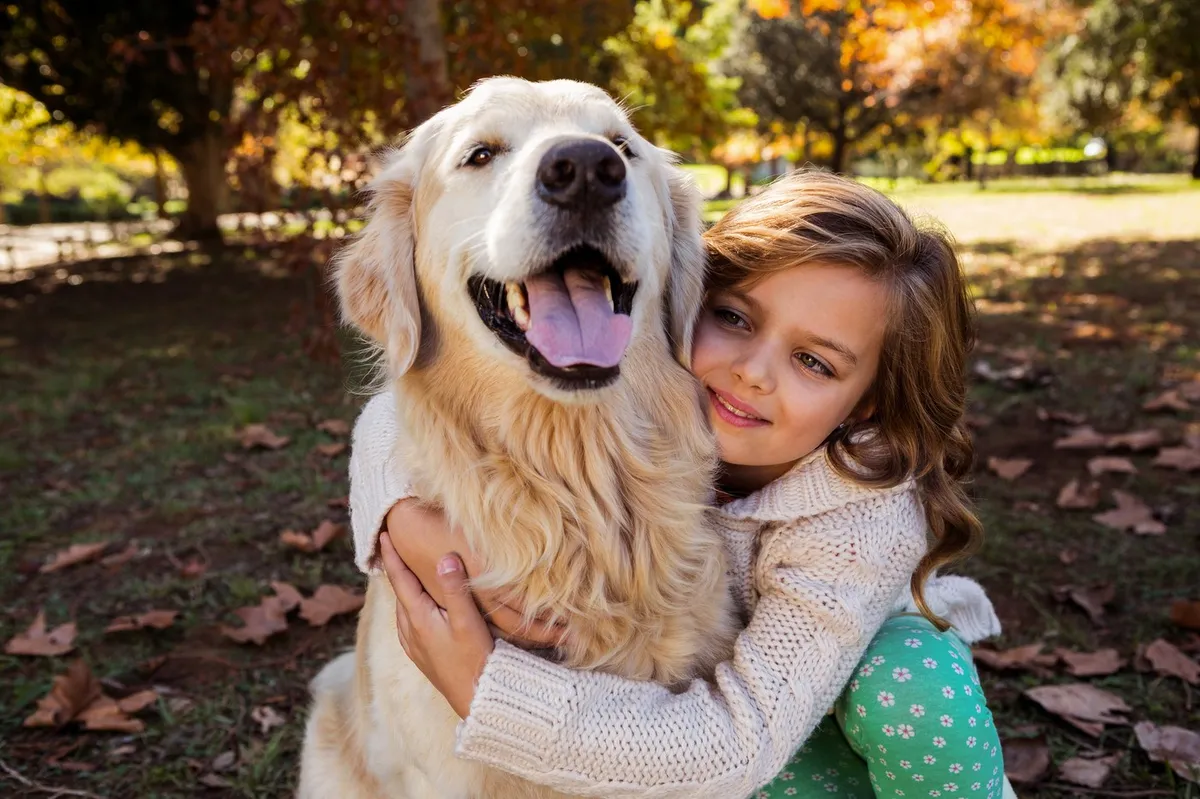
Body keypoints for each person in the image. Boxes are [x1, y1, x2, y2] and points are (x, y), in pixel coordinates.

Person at [351, 170, 1010, 798]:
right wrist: (401, 514)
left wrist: (487, 692)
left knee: (913, 688)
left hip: (795, 717)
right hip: (688, 741)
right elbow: (400, 410)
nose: (753, 371)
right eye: (735, 318)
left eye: (814, 361)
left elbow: (739, 741)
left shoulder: (861, 522)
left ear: (865, 405)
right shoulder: (635, 381)